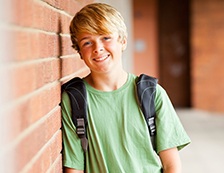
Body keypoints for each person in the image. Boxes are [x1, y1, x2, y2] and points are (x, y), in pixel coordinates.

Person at [61, 3, 191, 173]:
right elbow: (74, 168)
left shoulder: (151, 93)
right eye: (87, 42)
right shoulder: (74, 99)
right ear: (79, 51)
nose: (98, 48)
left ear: (122, 41)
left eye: (105, 38)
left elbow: (171, 165)